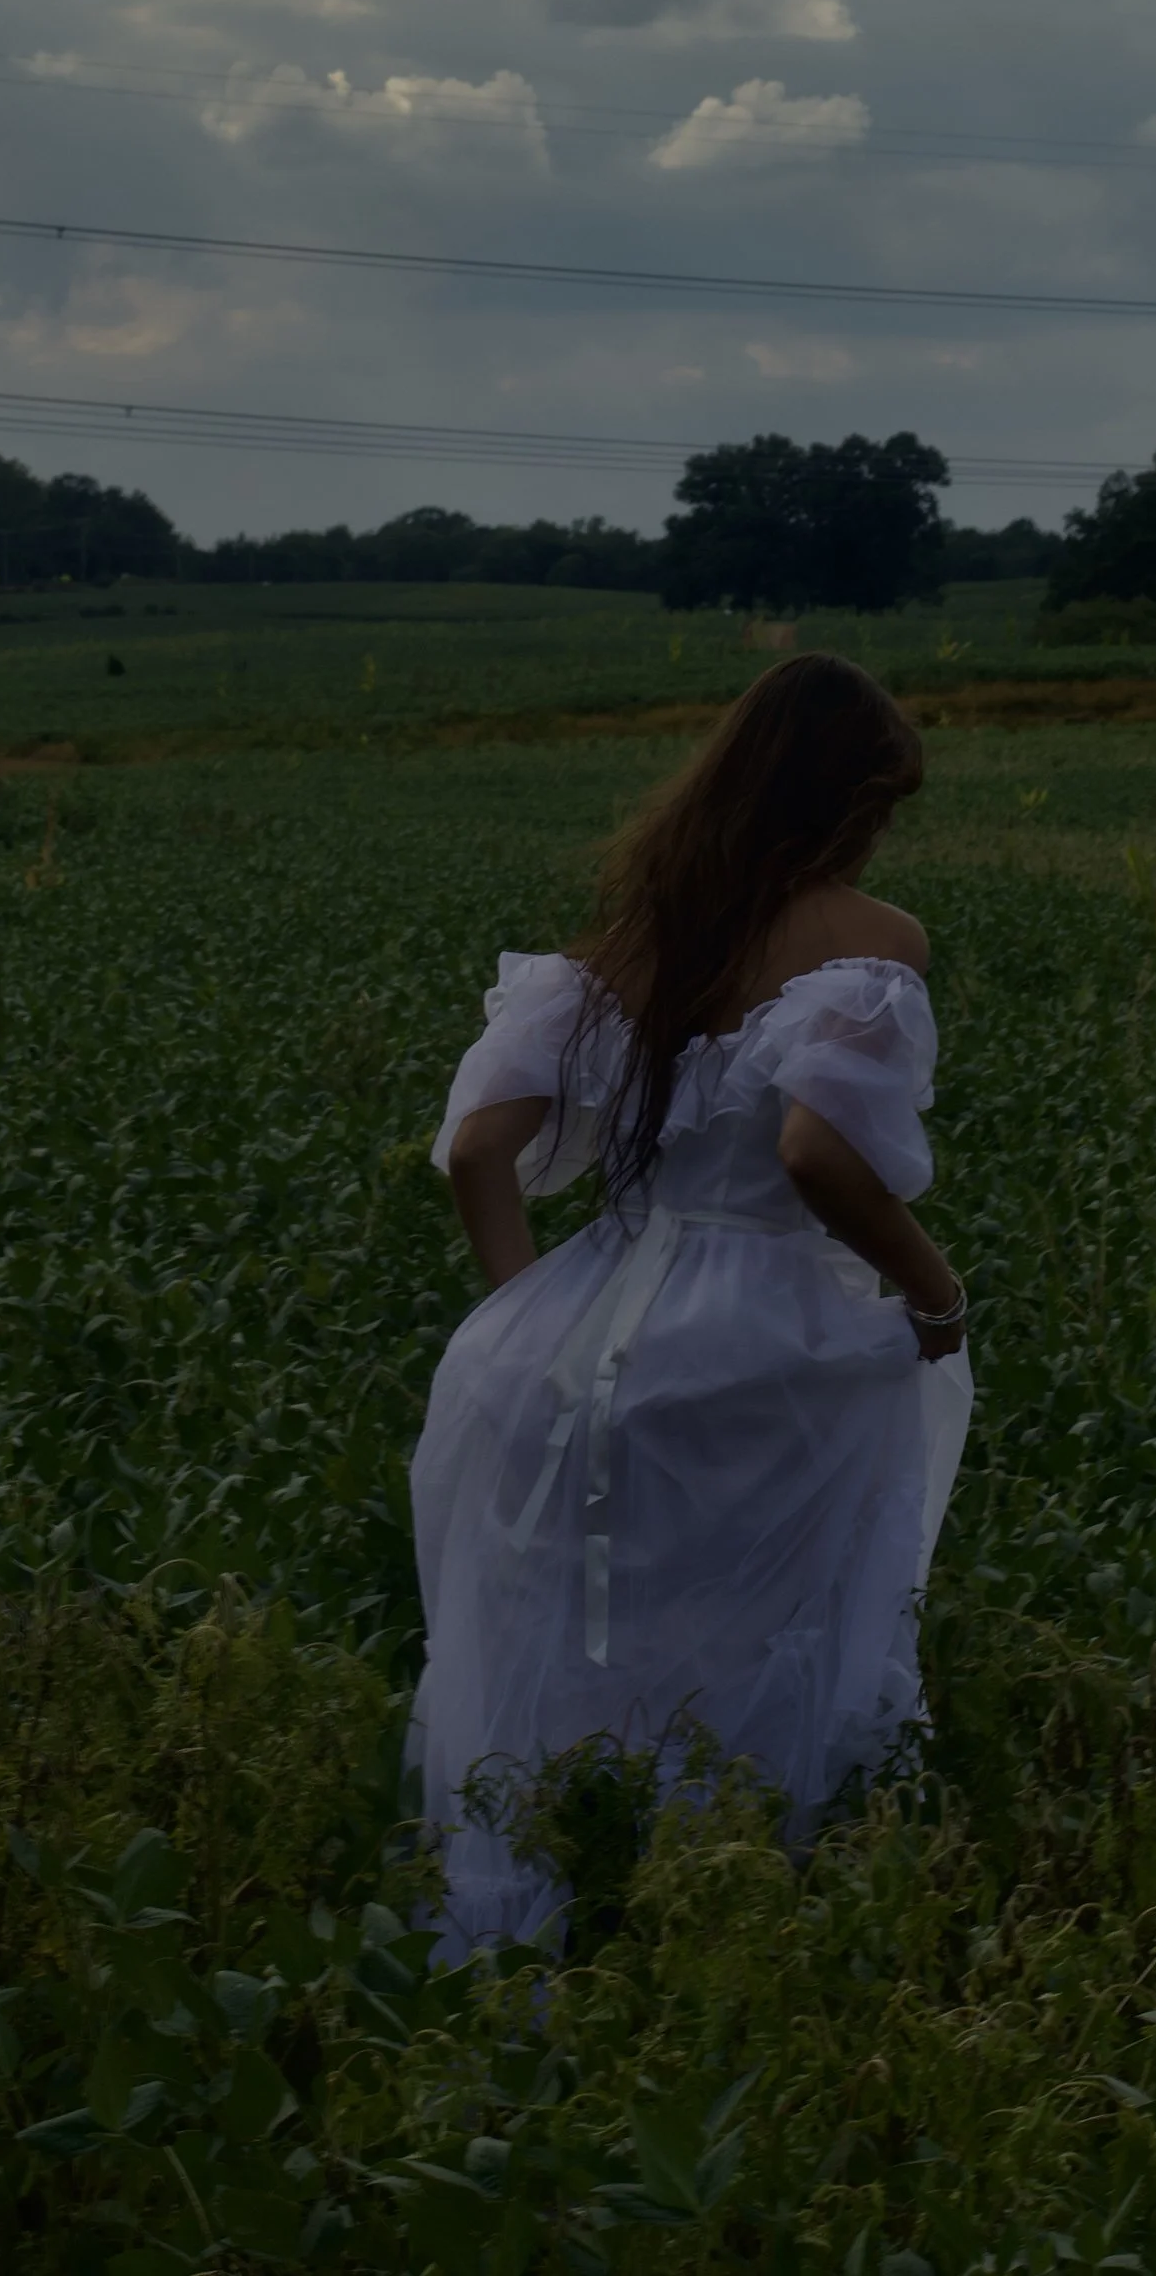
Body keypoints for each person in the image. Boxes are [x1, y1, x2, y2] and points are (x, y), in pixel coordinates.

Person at [407, 652, 973, 1952]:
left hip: (583, 1324)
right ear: (847, 803)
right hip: (762, 1337)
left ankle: (569, 1888)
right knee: (766, 1622)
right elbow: (817, 1157)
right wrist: (936, 1295)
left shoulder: (625, 944)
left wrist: (523, 1312)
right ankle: (729, 1898)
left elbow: (480, 1147)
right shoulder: (874, 945)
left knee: (590, 1627)